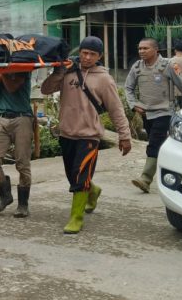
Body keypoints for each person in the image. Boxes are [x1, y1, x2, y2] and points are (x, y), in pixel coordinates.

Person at [41, 36, 132, 234]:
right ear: (79, 52)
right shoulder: (68, 72)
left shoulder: (104, 79)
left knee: (81, 176)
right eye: (84, 52)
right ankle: (93, 191)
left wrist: (124, 136)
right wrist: (60, 71)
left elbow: (116, 109)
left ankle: (76, 218)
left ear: (99, 56)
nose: (87, 57)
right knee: (72, 176)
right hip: (67, 133)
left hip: (89, 136)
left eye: (92, 54)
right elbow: (45, 89)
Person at [125, 38, 182, 193]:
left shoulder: (168, 66)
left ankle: (145, 178)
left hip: (164, 112)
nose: (141, 51)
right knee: (160, 145)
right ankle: (179, 171)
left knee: (154, 143)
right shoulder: (137, 67)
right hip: (146, 113)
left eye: (145, 48)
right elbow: (128, 88)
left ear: (156, 50)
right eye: (140, 48)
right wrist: (133, 104)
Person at [0, 71, 34, 218]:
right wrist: (3, 72)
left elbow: (12, 86)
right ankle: (5, 194)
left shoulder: (24, 67)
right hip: (2, 118)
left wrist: (2, 73)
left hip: (22, 118)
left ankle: (23, 204)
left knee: (22, 163)